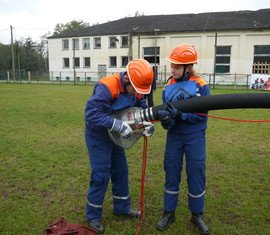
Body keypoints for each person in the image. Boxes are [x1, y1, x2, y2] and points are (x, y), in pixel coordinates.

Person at [84, 59, 155, 234]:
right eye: (136, 89)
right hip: (98, 135)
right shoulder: (107, 86)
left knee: (120, 171)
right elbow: (91, 114)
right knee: (101, 174)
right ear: (126, 80)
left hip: (117, 135)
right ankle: (93, 216)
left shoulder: (137, 89)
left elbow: (141, 109)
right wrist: (115, 124)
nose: (138, 94)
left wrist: (145, 124)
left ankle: (122, 208)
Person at [156, 44, 210, 234]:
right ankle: (168, 212)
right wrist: (166, 121)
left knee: (196, 173)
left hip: (195, 135)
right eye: (172, 66)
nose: (172, 70)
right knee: (171, 172)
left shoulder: (201, 85)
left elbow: (203, 115)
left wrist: (181, 116)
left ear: (188, 67)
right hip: (174, 137)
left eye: (177, 67)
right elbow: (168, 122)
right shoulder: (167, 87)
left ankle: (197, 215)